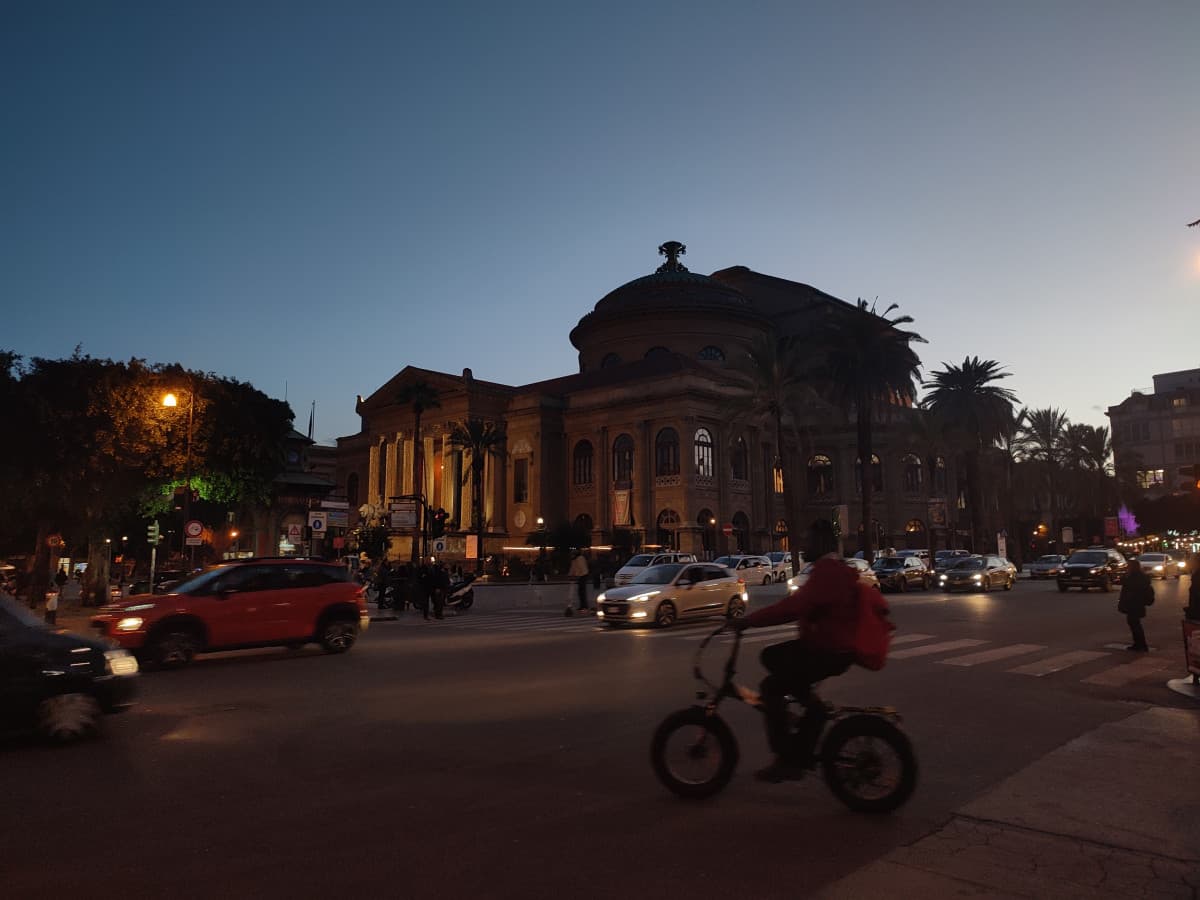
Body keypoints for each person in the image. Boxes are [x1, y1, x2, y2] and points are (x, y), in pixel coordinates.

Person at [733, 520, 859, 783]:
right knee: (775, 662)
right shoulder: (830, 569)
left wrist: (748, 621)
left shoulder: (826, 571)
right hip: (831, 645)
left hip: (828, 648)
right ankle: (811, 711)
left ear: (821, 544)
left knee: (771, 686)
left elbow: (793, 607)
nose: (802, 546)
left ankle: (788, 758)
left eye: (808, 540)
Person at [1116, 558, 1154, 651]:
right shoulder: (1138, 576)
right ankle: (1139, 644)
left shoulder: (1134, 577)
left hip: (1134, 604)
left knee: (1135, 624)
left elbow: (1130, 587)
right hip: (1136, 604)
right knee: (1134, 624)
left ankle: (1140, 644)